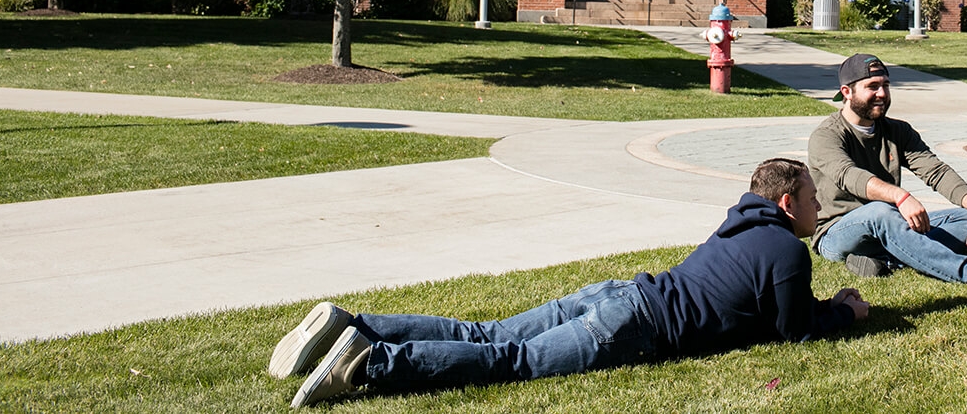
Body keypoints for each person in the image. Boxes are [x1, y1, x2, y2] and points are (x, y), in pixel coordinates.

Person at [272, 158, 869, 407]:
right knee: (510, 360)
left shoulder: (741, 224)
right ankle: (370, 365)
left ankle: (352, 325)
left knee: (484, 330)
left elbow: (759, 306)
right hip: (634, 327)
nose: (821, 207)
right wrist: (844, 312)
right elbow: (795, 332)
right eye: (815, 200)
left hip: (618, 293)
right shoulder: (788, 251)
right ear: (789, 204)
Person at [807, 53, 967, 289]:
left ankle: (887, 258)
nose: (882, 94)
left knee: (966, 220)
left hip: (890, 223)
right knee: (880, 211)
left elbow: (935, 170)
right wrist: (901, 197)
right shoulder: (827, 135)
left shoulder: (897, 130)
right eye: (872, 87)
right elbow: (850, 176)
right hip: (836, 232)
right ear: (847, 92)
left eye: (885, 86)